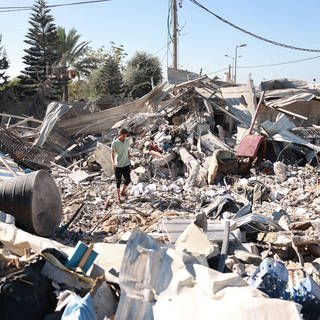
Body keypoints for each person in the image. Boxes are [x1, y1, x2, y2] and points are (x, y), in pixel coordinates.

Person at [111, 128, 131, 203]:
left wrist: (129, 156)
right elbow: (112, 153)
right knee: (118, 182)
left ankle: (123, 192)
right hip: (118, 165)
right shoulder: (114, 143)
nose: (124, 137)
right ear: (119, 135)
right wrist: (113, 163)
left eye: (125, 136)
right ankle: (118, 197)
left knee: (128, 180)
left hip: (126, 163)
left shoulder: (127, 141)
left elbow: (128, 149)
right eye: (123, 136)